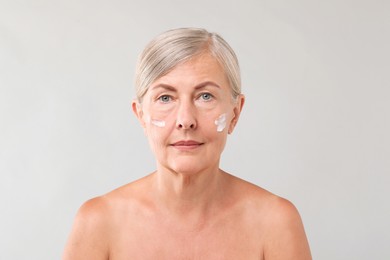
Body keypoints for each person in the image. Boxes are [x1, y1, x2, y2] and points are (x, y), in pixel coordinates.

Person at [63, 27, 312, 259]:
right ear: (141, 115)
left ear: (235, 113)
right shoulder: (99, 222)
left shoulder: (275, 222)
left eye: (205, 96)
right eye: (165, 97)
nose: (185, 120)